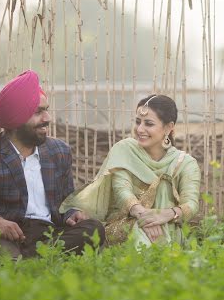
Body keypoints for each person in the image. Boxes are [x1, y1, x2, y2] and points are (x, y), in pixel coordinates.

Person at [0, 70, 105, 258]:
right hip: (8, 232)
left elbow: (65, 202)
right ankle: (37, 259)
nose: (47, 118)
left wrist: (71, 213)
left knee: (93, 229)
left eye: (47, 109)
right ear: (16, 117)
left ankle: (28, 259)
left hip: (49, 234)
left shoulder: (59, 151)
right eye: (38, 112)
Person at [60, 94, 201, 248]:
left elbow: (191, 205)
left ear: (168, 127)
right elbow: (122, 190)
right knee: (138, 231)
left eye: (148, 123)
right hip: (126, 223)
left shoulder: (185, 164)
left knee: (160, 231)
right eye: (138, 122)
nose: (140, 129)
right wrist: (144, 216)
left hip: (167, 225)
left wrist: (164, 215)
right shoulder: (125, 150)